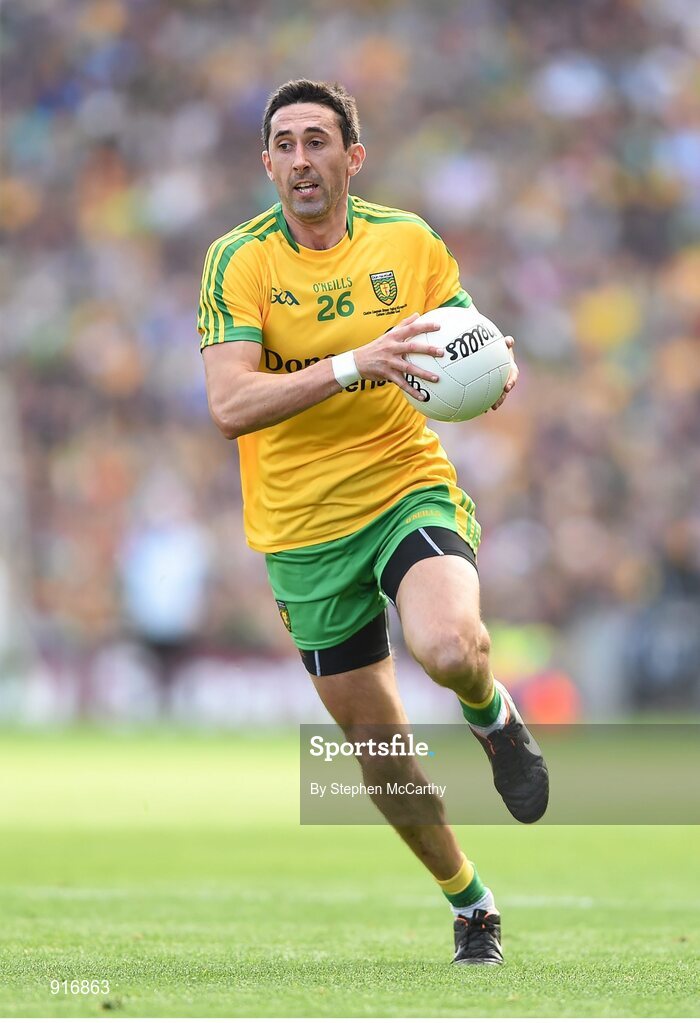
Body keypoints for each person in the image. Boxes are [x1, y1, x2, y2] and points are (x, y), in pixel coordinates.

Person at [197, 79, 548, 966]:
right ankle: (471, 902)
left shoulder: (407, 240)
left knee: (452, 646)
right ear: (267, 163)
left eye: (317, 141)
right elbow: (230, 404)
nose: (301, 159)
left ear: (353, 157)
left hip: (401, 484)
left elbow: (468, 335)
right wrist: (357, 361)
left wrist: (496, 365)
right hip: (300, 530)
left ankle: (492, 715)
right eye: (284, 144)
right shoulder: (239, 261)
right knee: (380, 747)